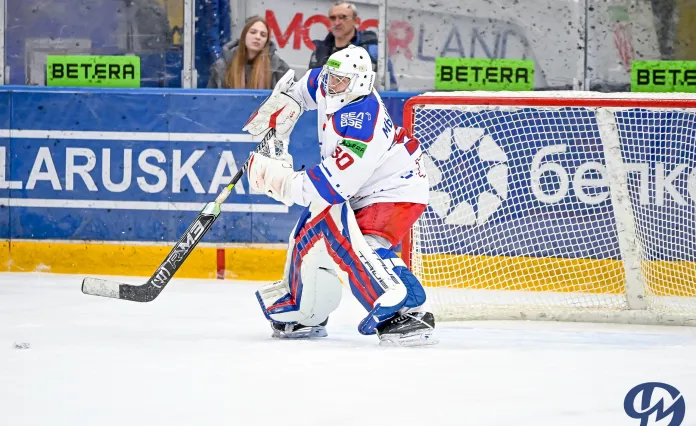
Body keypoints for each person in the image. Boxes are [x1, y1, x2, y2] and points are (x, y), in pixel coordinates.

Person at [242, 45, 436, 347]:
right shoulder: (332, 82)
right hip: (365, 185)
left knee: (360, 242)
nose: (332, 85)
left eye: (340, 81)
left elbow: (332, 188)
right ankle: (306, 311)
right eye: (331, 77)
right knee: (308, 234)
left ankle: (407, 310)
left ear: (359, 82)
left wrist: (279, 181)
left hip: (395, 190)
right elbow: (308, 87)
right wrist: (288, 104)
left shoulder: (362, 123)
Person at [309, 2, 398, 90]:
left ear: (355, 21)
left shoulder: (373, 52)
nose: (336, 23)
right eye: (333, 18)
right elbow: (310, 87)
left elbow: (390, 93)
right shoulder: (319, 52)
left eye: (343, 17)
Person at [207, 16, 291, 89]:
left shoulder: (278, 67)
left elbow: (295, 97)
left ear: (266, 41)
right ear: (244, 36)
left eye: (263, 35)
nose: (258, 37)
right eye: (253, 32)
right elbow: (210, 100)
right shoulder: (223, 65)